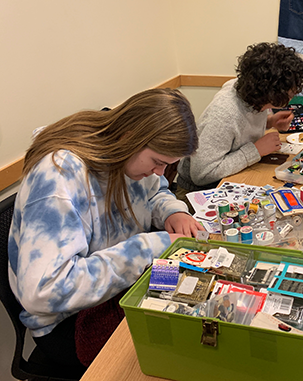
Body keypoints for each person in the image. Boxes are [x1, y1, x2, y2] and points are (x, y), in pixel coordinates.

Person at [8, 88, 204, 372]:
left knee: (198, 299)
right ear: (131, 137)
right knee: (182, 353)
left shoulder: (126, 156)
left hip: (120, 287)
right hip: (68, 320)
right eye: (158, 161)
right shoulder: (59, 177)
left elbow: (153, 190)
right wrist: (149, 249)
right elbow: (44, 292)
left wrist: (172, 211)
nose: (161, 172)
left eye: (168, 165)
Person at [176, 42, 303, 201]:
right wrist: (256, 150)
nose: (292, 96)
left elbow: (238, 129)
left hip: (229, 179)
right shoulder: (223, 113)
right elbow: (201, 174)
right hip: (200, 192)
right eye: (290, 93)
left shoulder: (250, 95)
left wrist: (270, 122)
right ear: (270, 93)